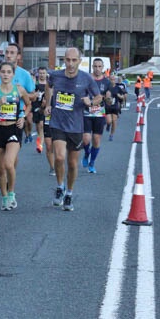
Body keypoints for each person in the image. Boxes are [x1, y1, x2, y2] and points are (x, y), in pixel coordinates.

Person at [44, 48, 101, 212]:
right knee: (60, 158)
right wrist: (48, 104)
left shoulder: (86, 79)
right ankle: (60, 187)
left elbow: (98, 97)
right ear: (64, 60)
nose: (70, 64)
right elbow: (48, 86)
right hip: (57, 123)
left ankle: (69, 193)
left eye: (74, 60)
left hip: (76, 126)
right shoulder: (56, 75)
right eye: (67, 60)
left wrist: (90, 101)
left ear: (79, 61)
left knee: (72, 163)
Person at [0, 61, 28, 211]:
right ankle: (4, 197)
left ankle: (11, 193)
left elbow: (28, 104)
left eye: (8, 72)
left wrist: (23, 116)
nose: (5, 75)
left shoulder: (19, 90)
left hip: (13, 129)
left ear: (13, 75)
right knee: (0, 168)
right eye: (3, 72)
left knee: (9, 163)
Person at [81, 58, 114, 174]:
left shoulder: (106, 82)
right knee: (86, 139)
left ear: (103, 67)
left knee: (96, 139)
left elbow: (109, 96)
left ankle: (92, 163)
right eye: (95, 66)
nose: (97, 69)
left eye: (100, 66)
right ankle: (86, 154)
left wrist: (109, 99)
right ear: (92, 67)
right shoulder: (86, 80)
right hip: (86, 112)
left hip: (99, 113)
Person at [33, 66, 48, 153]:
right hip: (36, 107)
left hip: (45, 108)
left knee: (42, 125)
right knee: (38, 128)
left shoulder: (49, 84)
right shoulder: (35, 84)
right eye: (40, 73)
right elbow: (31, 95)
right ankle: (39, 142)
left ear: (46, 74)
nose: (42, 75)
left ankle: (40, 145)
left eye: (43, 73)